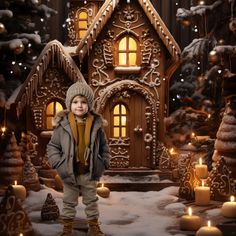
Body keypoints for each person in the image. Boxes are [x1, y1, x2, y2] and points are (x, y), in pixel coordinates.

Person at [47, 81, 110, 236]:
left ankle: (94, 226)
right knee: (68, 201)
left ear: (89, 104)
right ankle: (67, 227)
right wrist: (58, 163)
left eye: (83, 102)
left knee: (91, 201)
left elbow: (104, 147)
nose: (79, 105)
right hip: (70, 172)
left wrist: (103, 162)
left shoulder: (96, 125)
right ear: (69, 104)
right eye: (75, 102)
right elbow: (52, 146)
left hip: (89, 172)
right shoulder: (62, 126)